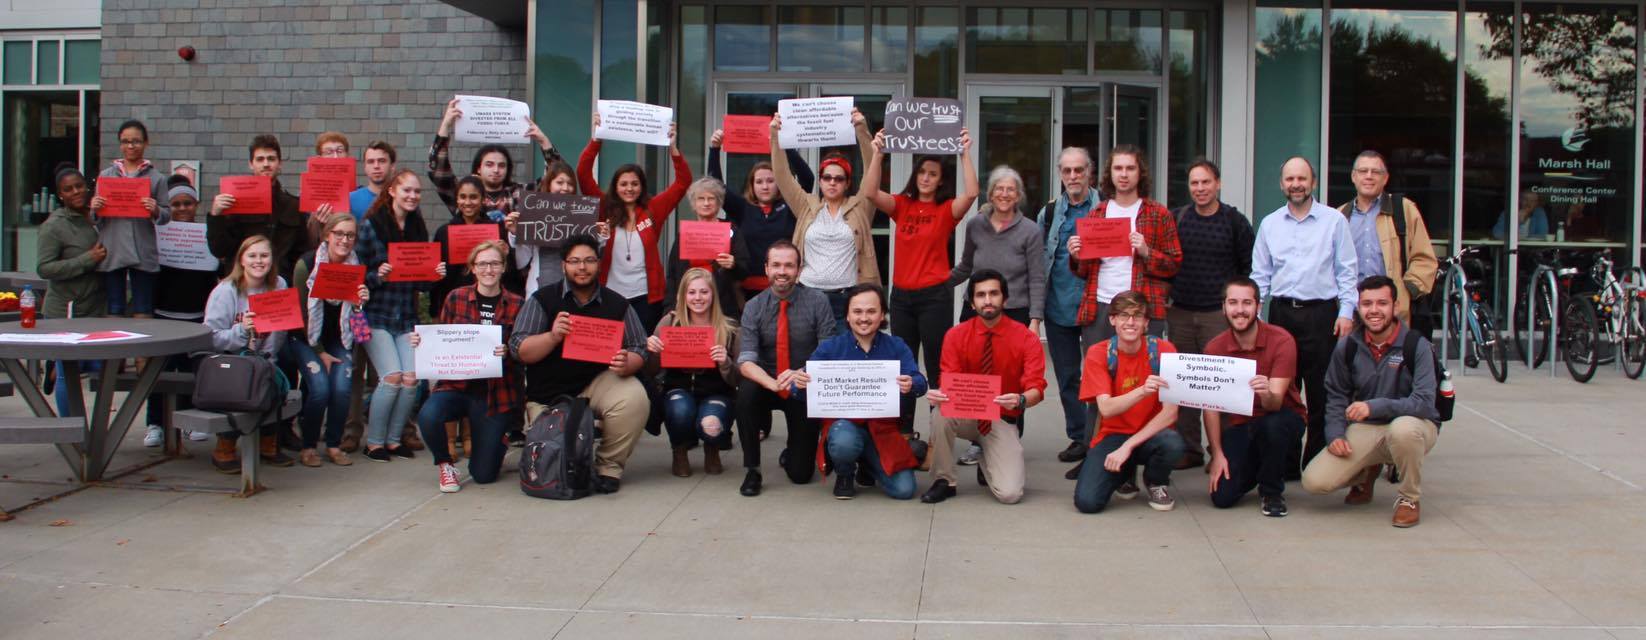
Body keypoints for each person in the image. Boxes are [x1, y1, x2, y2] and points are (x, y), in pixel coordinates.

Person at [1065, 146, 1181, 477]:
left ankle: (1143, 452)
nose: (1124, 174)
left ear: (1139, 173)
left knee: (1147, 384)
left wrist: (1146, 251)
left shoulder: (1158, 214)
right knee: (1097, 386)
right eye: (1118, 168)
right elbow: (1083, 270)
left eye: (1130, 168)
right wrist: (1076, 254)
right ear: (1110, 174)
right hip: (1101, 307)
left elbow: (1174, 263)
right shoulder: (1098, 214)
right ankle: (1093, 455)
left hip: (1143, 310)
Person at [511, 234, 650, 494]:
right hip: (549, 394)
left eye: (589, 260)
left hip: (596, 383)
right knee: (556, 454)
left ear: (599, 264)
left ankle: (608, 467)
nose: (582, 267)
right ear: (564, 265)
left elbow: (639, 347)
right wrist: (552, 337)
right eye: (575, 261)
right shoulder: (542, 300)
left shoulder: (616, 303)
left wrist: (627, 362)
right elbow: (519, 349)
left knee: (634, 398)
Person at [862, 128, 979, 435]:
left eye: (933, 174)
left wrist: (965, 152)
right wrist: (878, 152)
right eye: (922, 173)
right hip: (901, 297)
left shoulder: (945, 210)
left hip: (933, 298)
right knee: (904, 367)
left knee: (939, 367)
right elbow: (870, 193)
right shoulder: (903, 205)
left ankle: (938, 435)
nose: (926, 178)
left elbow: (971, 194)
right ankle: (904, 434)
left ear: (941, 179)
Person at [1303, 275, 1441, 528]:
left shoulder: (1416, 345)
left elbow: (1423, 402)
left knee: (1403, 430)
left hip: (1415, 425)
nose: (1374, 310)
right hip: (1368, 428)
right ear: (1358, 307)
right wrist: (1335, 435)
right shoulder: (1348, 346)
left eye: (1382, 303)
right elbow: (1335, 396)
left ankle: (1409, 499)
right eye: (1367, 304)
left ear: (1395, 307)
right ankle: (1366, 474)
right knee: (1315, 482)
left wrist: (1373, 406)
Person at [1251, 156, 1359, 474]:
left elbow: (1347, 271)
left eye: (1302, 178)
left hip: (1322, 314)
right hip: (1282, 313)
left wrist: (1347, 312)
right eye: (1289, 179)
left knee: (1321, 390)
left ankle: (1315, 460)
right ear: (1281, 184)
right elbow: (1260, 275)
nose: (1296, 184)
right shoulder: (1270, 224)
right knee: (1282, 390)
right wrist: (1256, 316)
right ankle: (1286, 464)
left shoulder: (1334, 221)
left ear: (1313, 182)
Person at [920, 270, 1047, 505]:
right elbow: (951, 380)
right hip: (966, 413)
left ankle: (987, 457)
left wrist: (1020, 400)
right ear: (972, 301)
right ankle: (944, 480)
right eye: (980, 295)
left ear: (1005, 299)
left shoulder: (1025, 338)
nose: (987, 300)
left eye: (993, 293)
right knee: (940, 412)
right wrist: (941, 395)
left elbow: (1036, 388)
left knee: (1010, 494)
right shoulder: (956, 336)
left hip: (1001, 417)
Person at [414, 240, 523, 492]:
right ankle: (445, 464)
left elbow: (522, 349)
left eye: (495, 263)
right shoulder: (456, 298)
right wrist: (423, 342)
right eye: (482, 264)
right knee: (428, 416)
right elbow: (442, 339)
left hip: (494, 393)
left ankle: (498, 441)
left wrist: (509, 351)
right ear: (472, 268)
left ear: (504, 267)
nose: (489, 269)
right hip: (456, 385)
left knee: (483, 475)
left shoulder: (518, 304)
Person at [800, 283, 927, 500]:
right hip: (845, 427)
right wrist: (800, 383)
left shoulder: (896, 346)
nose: (864, 318)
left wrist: (911, 383)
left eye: (871, 311)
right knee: (843, 439)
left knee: (904, 490)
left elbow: (920, 382)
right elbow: (804, 387)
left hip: (883, 429)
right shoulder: (830, 348)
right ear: (847, 316)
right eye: (857, 311)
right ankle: (845, 473)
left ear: (882, 315)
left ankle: (868, 464)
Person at [1166, 159, 1254, 469]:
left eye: (1205, 182)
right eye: (1194, 183)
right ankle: (1189, 449)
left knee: (1220, 388)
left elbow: (1247, 269)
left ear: (1217, 184)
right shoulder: (1177, 219)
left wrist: (1236, 310)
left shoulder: (1234, 221)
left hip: (1218, 316)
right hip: (1180, 312)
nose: (1200, 189)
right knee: (1185, 385)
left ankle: (1222, 449)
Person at [355, 168, 447, 462]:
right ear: (391, 191)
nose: (412, 196)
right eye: (407, 190)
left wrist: (434, 277)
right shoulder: (370, 227)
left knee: (412, 378)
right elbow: (355, 277)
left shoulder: (418, 229)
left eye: (417, 191)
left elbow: (418, 283)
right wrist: (376, 275)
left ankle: (394, 440)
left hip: (406, 316)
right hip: (377, 315)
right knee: (391, 377)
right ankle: (374, 442)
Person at [734, 240, 836, 496]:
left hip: (804, 381)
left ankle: (794, 452)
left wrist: (799, 375)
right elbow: (746, 360)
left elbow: (827, 352)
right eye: (776, 265)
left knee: (801, 475)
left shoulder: (817, 301)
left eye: (789, 265)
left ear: (799, 270)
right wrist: (772, 383)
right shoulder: (753, 307)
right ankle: (752, 469)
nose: (782, 271)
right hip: (767, 381)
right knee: (745, 395)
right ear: (766, 268)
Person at [1072, 290, 1185, 514]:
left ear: (1146, 323)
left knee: (1173, 443)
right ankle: (1125, 473)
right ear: (1113, 320)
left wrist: (1128, 447)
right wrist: (1142, 391)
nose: (1130, 322)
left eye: (1138, 316)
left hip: (1152, 436)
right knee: (1087, 502)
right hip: (1113, 434)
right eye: (1124, 315)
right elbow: (1106, 407)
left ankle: (1155, 481)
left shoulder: (1164, 351)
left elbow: (1170, 414)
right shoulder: (1099, 353)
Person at [578, 114, 693, 332]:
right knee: (612, 346)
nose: (629, 188)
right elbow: (583, 174)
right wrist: (597, 138)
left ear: (642, 186)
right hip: (610, 293)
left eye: (634, 184)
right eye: (623, 184)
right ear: (615, 186)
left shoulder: (653, 209)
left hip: (646, 296)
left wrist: (673, 148)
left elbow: (683, 182)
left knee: (642, 348)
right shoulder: (605, 207)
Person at [1203, 277, 1306, 517]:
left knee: (1273, 425)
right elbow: (1210, 408)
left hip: (1281, 417)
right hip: (1241, 424)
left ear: (1258, 306)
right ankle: (1259, 466)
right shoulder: (1214, 348)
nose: (1240, 310)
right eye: (1233, 303)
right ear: (1223, 307)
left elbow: (1275, 402)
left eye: (1247, 303)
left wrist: (1266, 392)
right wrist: (1217, 454)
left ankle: (1271, 491)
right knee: (1222, 497)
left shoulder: (1281, 340)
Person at [769, 110, 879, 329]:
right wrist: (775, 136)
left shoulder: (860, 206)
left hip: (846, 298)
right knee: (808, 358)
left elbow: (871, 172)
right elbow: (782, 176)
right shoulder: (806, 206)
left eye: (839, 178)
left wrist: (862, 130)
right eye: (826, 177)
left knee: (841, 359)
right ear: (819, 181)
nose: (832, 182)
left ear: (848, 183)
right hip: (807, 295)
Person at [202, 236, 294, 472]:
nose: (259, 261)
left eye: (264, 256)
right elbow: (211, 337)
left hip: (262, 357)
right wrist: (242, 331)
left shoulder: (279, 285)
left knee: (273, 378)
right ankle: (225, 446)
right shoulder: (225, 291)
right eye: (252, 256)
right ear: (241, 260)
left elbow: (280, 331)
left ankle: (268, 443)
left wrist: (266, 359)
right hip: (228, 359)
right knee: (241, 386)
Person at [286, 214, 371, 467]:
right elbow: (301, 315)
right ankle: (309, 445)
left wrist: (359, 305)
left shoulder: (356, 266)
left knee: (342, 388)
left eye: (350, 235)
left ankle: (333, 444)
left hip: (339, 339)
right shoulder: (307, 264)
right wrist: (320, 352)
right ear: (327, 235)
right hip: (305, 338)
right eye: (339, 234)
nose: (345, 240)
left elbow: (360, 330)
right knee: (320, 389)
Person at [144, 175, 219, 446]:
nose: (182, 209)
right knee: (158, 375)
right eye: (176, 204)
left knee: (194, 374)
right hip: (164, 315)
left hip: (196, 317)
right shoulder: (156, 233)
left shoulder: (206, 234)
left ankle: (192, 421)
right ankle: (155, 423)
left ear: (196, 204)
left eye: (188, 203)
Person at [644, 267, 740, 477]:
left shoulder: (730, 330)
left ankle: (712, 448)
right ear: (683, 296)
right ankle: (679, 451)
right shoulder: (670, 323)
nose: (698, 298)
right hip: (678, 390)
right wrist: (652, 352)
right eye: (692, 292)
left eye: (704, 292)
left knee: (711, 425)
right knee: (680, 410)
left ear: (713, 294)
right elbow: (651, 371)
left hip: (717, 394)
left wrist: (726, 363)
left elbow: (738, 380)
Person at [1039, 147, 1102, 465]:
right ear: (1060, 174)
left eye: (1079, 170)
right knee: (1067, 376)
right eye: (1067, 171)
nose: (1073, 177)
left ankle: (1099, 436)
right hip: (1059, 306)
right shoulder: (1049, 213)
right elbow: (1039, 262)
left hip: (1098, 305)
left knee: (1100, 376)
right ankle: (1079, 436)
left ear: (1090, 172)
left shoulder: (1107, 208)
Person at [707, 128, 814, 301]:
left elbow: (808, 179)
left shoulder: (791, 206)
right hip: (747, 291)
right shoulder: (743, 208)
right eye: (759, 182)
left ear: (779, 184)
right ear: (752, 185)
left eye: (771, 181)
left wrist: (785, 144)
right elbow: (714, 186)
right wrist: (714, 149)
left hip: (786, 287)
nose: (765, 186)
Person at [1337, 150, 1438, 330]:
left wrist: (1405, 292)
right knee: (1353, 357)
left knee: (1394, 358)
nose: (1369, 176)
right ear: (1353, 176)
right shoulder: (1340, 216)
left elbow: (1424, 259)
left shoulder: (1404, 210)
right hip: (1352, 311)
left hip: (1392, 311)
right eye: (1363, 171)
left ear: (1386, 178)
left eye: (1375, 172)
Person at [36, 166, 108, 418]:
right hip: (65, 310)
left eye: (79, 186)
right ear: (60, 195)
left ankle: (54, 368)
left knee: (101, 367)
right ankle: (72, 431)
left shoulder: (98, 215)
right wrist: (87, 259)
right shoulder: (54, 226)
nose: (76, 191)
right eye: (69, 189)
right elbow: (45, 268)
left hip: (96, 307)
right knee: (70, 373)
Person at [91, 119, 170, 319]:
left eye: (136, 141)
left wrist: (156, 210)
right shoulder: (106, 175)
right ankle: (115, 350)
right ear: (120, 144)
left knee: (143, 308)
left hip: (142, 248)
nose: (131, 146)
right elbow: (96, 220)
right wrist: (95, 209)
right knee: (114, 307)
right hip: (113, 247)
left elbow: (166, 216)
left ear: (146, 143)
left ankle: (142, 351)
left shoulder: (156, 177)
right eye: (125, 141)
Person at [950, 165, 1045, 328]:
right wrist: (934, 285)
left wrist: (1035, 320)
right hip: (976, 310)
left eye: (1011, 190)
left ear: (1018, 196)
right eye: (999, 189)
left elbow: (1036, 279)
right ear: (991, 195)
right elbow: (966, 267)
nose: (1005, 194)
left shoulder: (1031, 230)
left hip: (1015, 313)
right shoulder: (975, 225)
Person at [430, 99, 561, 215]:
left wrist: (544, 141)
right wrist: (446, 125)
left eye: (502, 165)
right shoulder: (464, 195)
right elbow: (439, 173)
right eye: (489, 164)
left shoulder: (520, 194)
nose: (496, 170)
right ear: (478, 168)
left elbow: (555, 177)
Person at [208, 134, 309, 283]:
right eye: (260, 159)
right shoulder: (234, 202)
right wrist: (216, 215)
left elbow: (301, 252)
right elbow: (219, 249)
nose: (266, 164)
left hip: (279, 285)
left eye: (271, 159)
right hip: (242, 284)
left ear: (279, 164)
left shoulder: (293, 205)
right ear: (251, 164)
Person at [663, 177, 749, 320]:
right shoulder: (685, 233)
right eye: (701, 199)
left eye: (711, 199)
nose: (706, 203)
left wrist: (733, 265)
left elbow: (745, 270)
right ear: (693, 204)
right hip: (688, 306)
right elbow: (673, 274)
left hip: (723, 307)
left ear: (719, 202)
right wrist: (670, 307)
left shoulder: (732, 231)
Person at [431, 176, 512, 318]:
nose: (467, 202)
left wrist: (506, 253)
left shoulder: (496, 231)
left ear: (483, 199)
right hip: (454, 301)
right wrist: (435, 308)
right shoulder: (444, 232)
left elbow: (508, 272)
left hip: (489, 301)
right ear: (456, 199)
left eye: (473, 197)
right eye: (463, 197)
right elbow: (436, 274)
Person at [351, 141, 397, 218]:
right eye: (371, 162)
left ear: (392, 166)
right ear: (365, 167)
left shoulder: (403, 198)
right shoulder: (350, 200)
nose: (376, 166)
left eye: (382, 161)